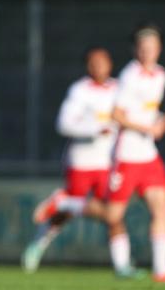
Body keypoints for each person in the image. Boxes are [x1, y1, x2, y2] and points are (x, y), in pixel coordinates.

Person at [22, 47, 120, 273]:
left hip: (108, 161)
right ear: (88, 66)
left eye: (102, 62)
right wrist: (96, 129)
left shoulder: (118, 89)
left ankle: (122, 265)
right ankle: (39, 243)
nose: (98, 67)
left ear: (110, 64)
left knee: (113, 211)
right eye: (93, 63)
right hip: (81, 160)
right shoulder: (80, 90)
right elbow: (63, 124)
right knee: (68, 214)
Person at [104, 24, 165, 283]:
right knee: (112, 215)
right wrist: (148, 127)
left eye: (152, 46)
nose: (148, 51)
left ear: (159, 48)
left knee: (162, 208)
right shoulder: (130, 75)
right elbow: (116, 115)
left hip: (148, 155)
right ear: (135, 50)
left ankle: (162, 270)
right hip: (127, 155)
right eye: (143, 47)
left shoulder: (161, 75)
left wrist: (164, 120)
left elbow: (147, 113)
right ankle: (70, 204)